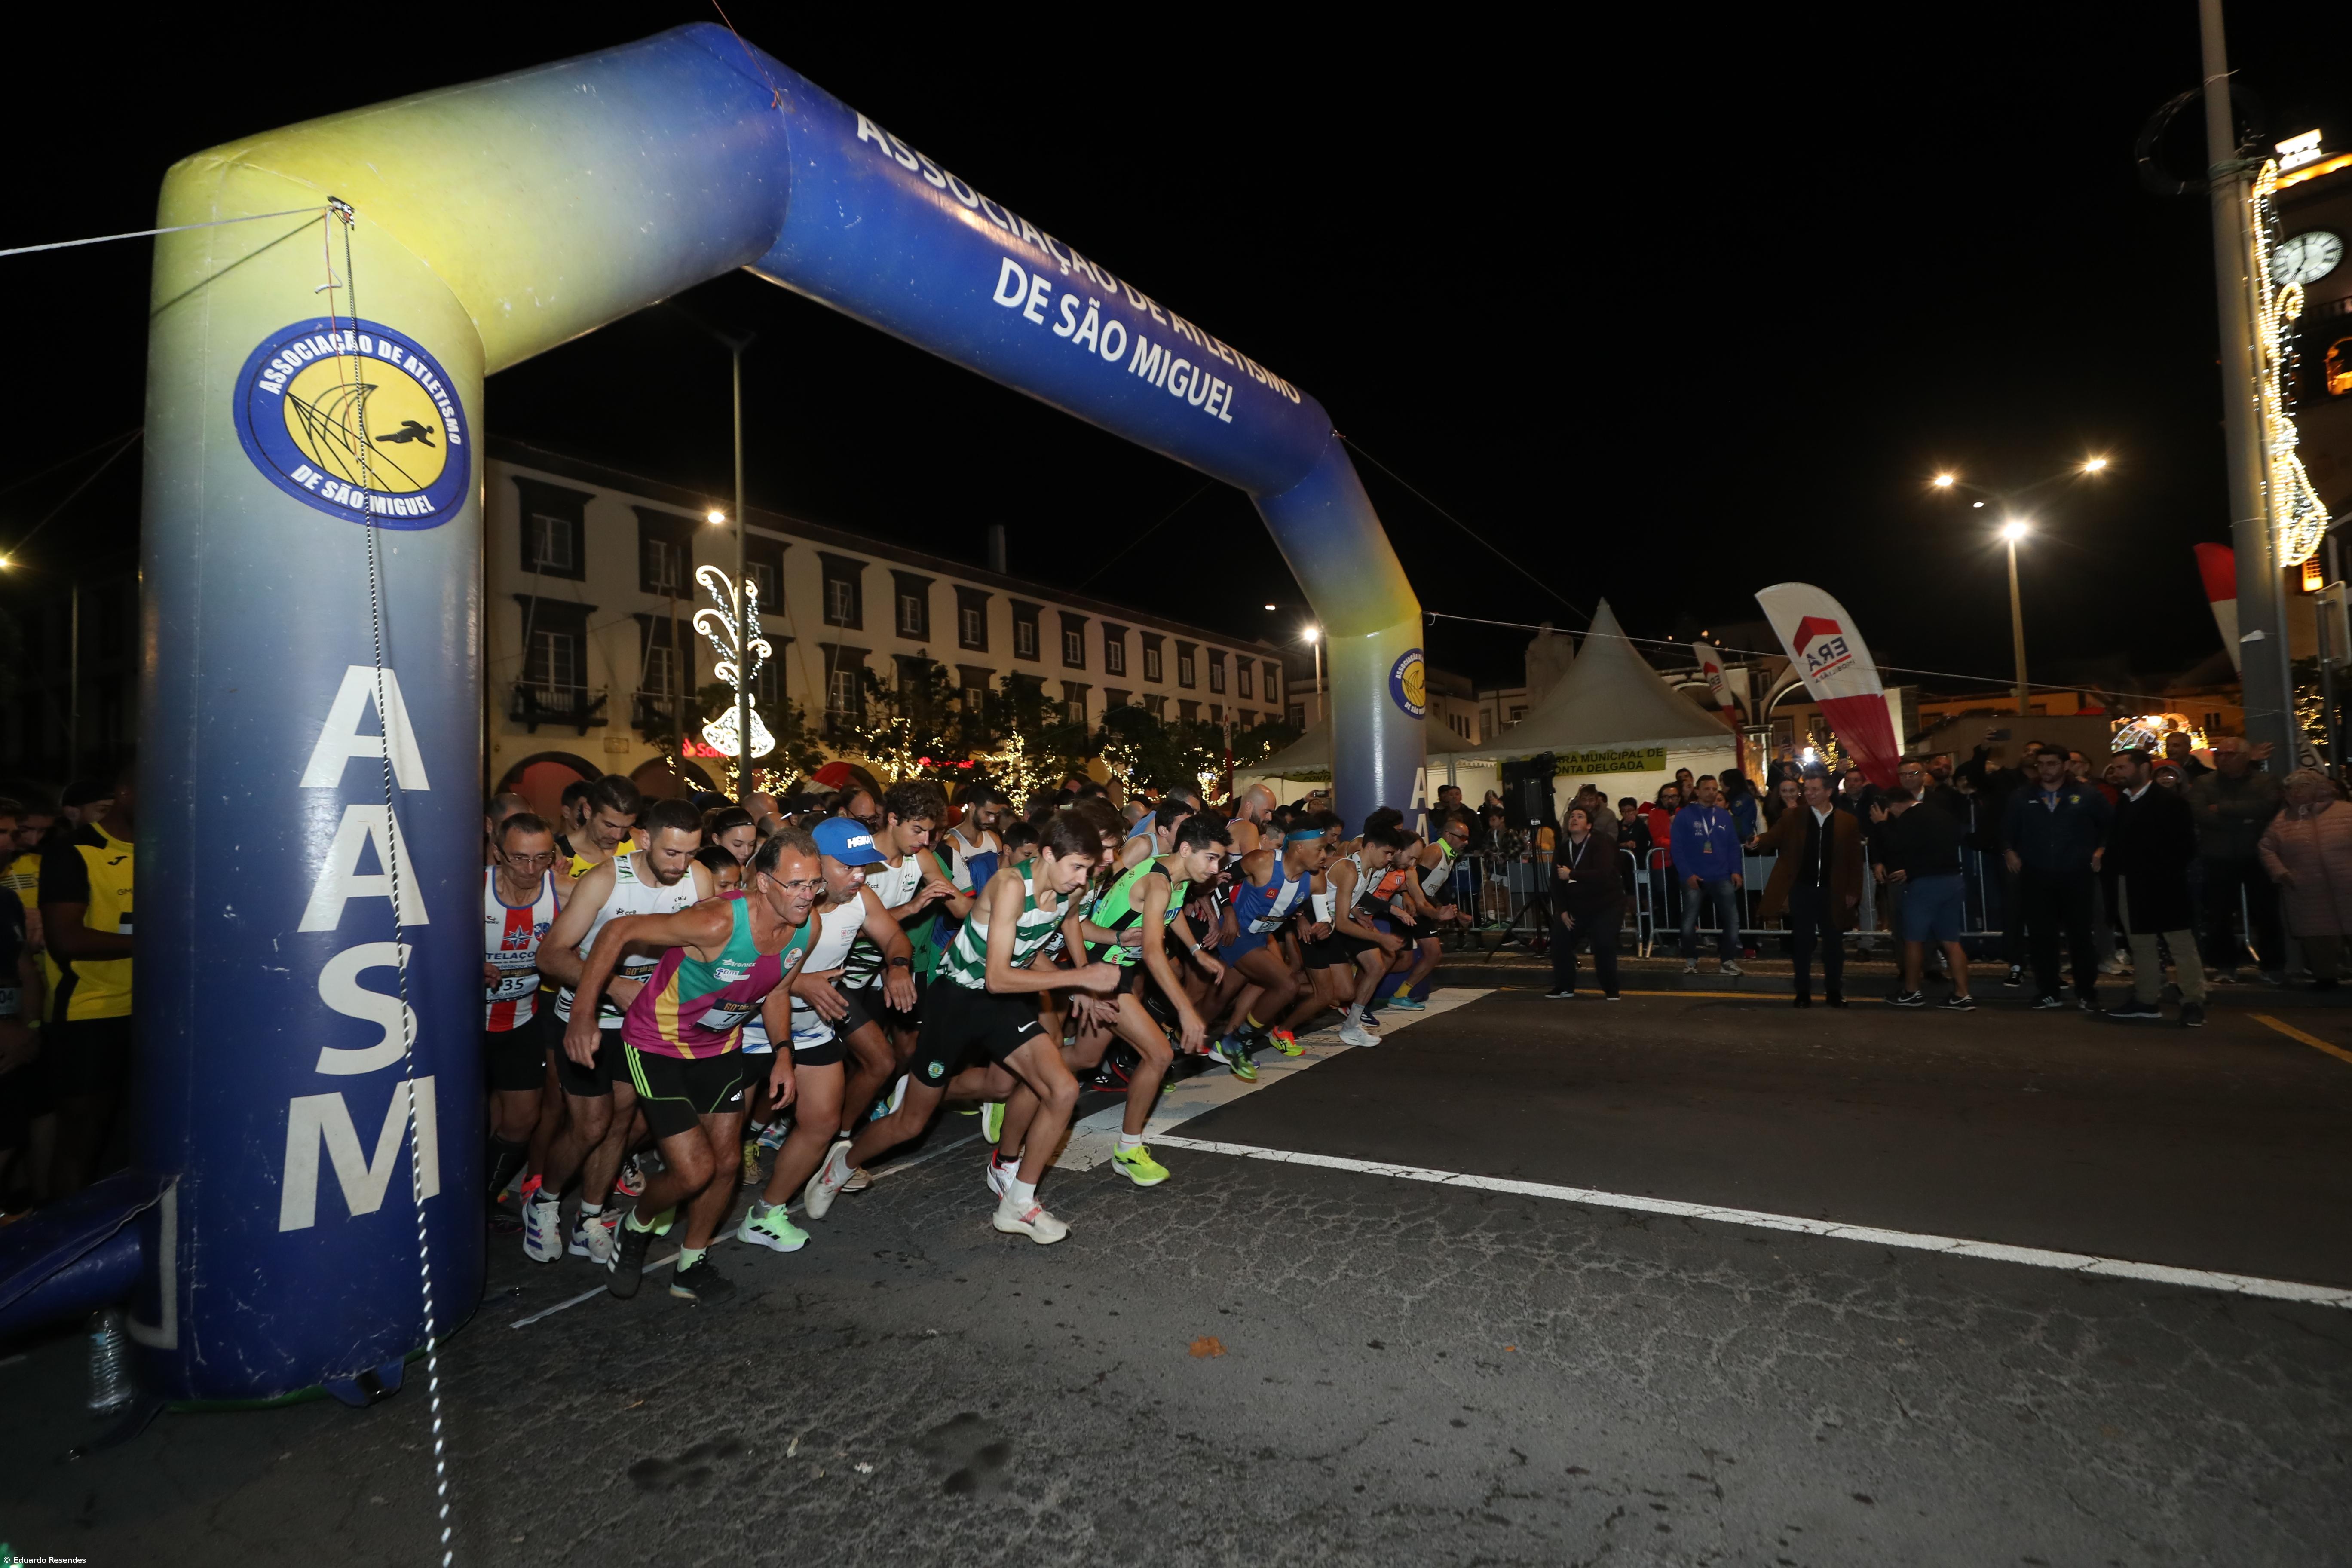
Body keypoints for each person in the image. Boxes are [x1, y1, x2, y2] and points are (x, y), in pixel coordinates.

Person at [575, 828, 823, 1302]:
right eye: (795, 885)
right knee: (693, 1172)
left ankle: (692, 1264)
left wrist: (784, 1056)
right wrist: (583, 1016)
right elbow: (617, 931)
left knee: (727, 1162)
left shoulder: (807, 926)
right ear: (763, 883)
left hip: (719, 1045)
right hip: (657, 1045)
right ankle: (637, 1224)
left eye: (814, 885)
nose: (806, 896)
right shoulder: (715, 923)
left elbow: (775, 991)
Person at [855, 812, 1121, 1243]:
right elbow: (996, 975)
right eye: (1077, 867)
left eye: (1089, 870)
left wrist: (1084, 988)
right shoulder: (1011, 885)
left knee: (1062, 1090)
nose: (1083, 879)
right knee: (910, 1124)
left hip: (1004, 1003)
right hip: (958, 998)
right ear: (1049, 854)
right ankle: (843, 1163)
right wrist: (1079, 980)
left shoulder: (1074, 886)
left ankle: (1019, 1203)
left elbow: (1056, 928)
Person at [524, 798, 715, 1264]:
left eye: (690, 853)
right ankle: (543, 1201)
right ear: (645, 839)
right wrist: (612, 984)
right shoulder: (606, 880)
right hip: (586, 1016)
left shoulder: (699, 879)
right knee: (589, 1126)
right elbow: (550, 956)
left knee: (620, 1123)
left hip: (644, 1024)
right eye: (672, 853)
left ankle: (591, 1217)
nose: (682, 864)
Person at [741, 816, 919, 1250]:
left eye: (865, 867)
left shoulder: (862, 898)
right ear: (816, 862)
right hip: (748, 1024)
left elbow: (895, 936)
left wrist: (896, 967)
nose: (860, 876)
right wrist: (800, 983)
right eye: (849, 867)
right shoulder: (780, 904)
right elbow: (739, 967)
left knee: (822, 1123)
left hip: (815, 1021)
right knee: (718, 1151)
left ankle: (768, 1211)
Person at [39, 755, 135, 1195]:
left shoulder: (177, 852)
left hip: (157, 1014)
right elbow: (67, 939)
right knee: (80, 1144)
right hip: (89, 1015)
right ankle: (62, 1245)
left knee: (133, 1143)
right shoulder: (73, 850)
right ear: (126, 792)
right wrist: (166, 945)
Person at [482, 812, 564, 1207]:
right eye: (519, 858)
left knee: (521, 1121)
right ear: (498, 852)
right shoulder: (469, 889)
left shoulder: (563, 891)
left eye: (542, 857)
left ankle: (480, 1199)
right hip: (463, 1026)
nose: (531, 869)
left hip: (520, 1021)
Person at [2103, 747, 2207, 1024]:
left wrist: (2159, 872)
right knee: (2141, 944)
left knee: (2180, 944)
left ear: (2144, 769)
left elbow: (2184, 847)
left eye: (2123, 768)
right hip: (2130, 883)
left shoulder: (2169, 802)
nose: (2117, 774)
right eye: (2115, 768)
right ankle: (2146, 999)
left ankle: (2193, 1001)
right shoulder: (2125, 801)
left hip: (2164, 885)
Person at [2003, 746, 2111, 1012]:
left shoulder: (2086, 794)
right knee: (2042, 937)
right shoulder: (2022, 796)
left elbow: (2110, 825)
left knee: (2080, 936)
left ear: (2065, 766)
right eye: (2041, 764)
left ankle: (2087, 992)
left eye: (2052, 764)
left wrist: (2101, 850)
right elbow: (2006, 829)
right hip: (2036, 874)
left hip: (2076, 874)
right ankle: (2049, 991)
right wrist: (2009, 851)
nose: (2046, 769)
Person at [1755, 770, 1862, 1007]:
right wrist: (1757, 841)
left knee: (1834, 944)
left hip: (1833, 891)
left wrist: (1853, 891)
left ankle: (1834, 991)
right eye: (1807, 789)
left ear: (1828, 792)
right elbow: (1772, 837)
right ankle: (1802, 992)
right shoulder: (1794, 816)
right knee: (1802, 943)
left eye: (1815, 789)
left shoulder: (1847, 821)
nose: (1809, 794)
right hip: (1802, 890)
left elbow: (1855, 860)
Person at [2188, 738, 2284, 983]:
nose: (2222, 759)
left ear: (2245, 756)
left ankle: (2273, 966)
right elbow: (2200, 814)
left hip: (2256, 856)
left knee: (2267, 914)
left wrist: (2222, 808)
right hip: (2217, 856)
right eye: (2218, 754)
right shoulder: (2204, 783)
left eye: (2228, 754)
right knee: (2219, 915)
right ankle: (2224, 965)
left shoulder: (2266, 781)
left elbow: (2268, 808)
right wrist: (2245, 819)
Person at [1871, 787, 1973, 1010]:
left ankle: (1911, 992)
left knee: (1913, 939)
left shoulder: (1910, 818)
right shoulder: (1941, 814)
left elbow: (1898, 846)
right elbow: (1935, 847)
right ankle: (1962, 994)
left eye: (1891, 813)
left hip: (1926, 884)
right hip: (1953, 880)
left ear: (1895, 806)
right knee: (1950, 940)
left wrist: (1881, 824)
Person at [2258, 769, 2352, 989]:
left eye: (2304, 786)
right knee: (2318, 936)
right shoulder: (2284, 819)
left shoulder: (2346, 812)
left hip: (2347, 883)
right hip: (2307, 887)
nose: (2297, 792)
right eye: (2292, 788)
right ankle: (2326, 977)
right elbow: (2267, 847)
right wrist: (2282, 873)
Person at [1546, 805, 1622, 999]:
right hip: (1577, 907)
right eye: (1572, 816)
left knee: (1604, 944)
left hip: (1606, 905)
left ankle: (1611, 989)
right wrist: (1562, 910)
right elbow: (1556, 882)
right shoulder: (1564, 848)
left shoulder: (1601, 843)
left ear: (1589, 825)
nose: (1574, 819)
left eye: (1580, 817)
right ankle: (1565, 986)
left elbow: (1603, 874)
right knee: (1560, 939)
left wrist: (1572, 874)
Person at [1671, 778, 1744, 976]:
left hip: (1721, 876)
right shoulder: (1684, 816)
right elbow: (1677, 848)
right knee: (1689, 921)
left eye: (1715, 789)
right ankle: (1691, 960)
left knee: (1732, 920)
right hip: (1696, 877)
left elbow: (1733, 846)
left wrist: (1736, 871)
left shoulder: (1724, 816)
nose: (1712, 793)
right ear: (1697, 791)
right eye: (1707, 789)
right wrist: (1687, 875)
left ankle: (1728, 961)